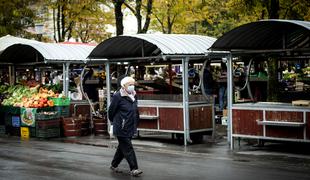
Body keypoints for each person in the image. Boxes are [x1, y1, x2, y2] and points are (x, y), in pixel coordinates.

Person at [108, 76, 142, 177]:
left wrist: (136, 121)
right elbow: (111, 111)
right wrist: (115, 123)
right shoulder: (118, 96)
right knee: (128, 148)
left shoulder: (134, 95)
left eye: (133, 84)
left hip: (131, 126)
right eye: (130, 84)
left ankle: (114, 165)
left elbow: (134, 110)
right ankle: (134, 168)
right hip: (121, 127)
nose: (132, 86)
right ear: (124, 86)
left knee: (122, 148)